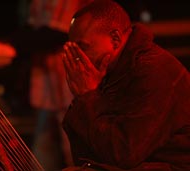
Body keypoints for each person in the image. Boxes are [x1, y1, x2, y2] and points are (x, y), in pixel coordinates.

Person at [61, 0, 190, 170]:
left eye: (83, 48)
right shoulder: (111, 72)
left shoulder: (154, 71)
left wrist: (87, 96)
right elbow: (86, 153)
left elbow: (124, 154)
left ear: (115, 39)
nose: (78, 58)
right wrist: (82, 99)